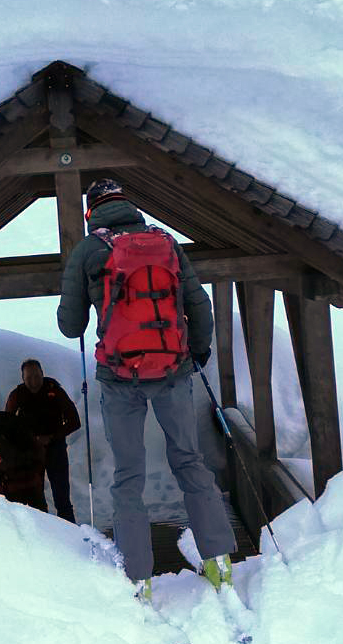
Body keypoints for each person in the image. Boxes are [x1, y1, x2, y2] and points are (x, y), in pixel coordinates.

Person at [57, 178, 235, 596]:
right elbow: (199, 306)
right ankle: (220, 563)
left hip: (119, 379)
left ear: (91, 212)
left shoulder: (87, 250)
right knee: (189, 461)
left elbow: (70, 326)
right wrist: (198, 350)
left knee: (127, 476)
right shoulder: (166, 243)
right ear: (128, 204)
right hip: (172, 370)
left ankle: (139, 578)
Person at [5, 358, 81, 523]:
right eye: (29, 378)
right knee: (35, 500)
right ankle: (44, 538)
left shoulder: (54, 390)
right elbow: (7, 426)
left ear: (43, 374)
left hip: (55, 449)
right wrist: (29, 440)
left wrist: (52, 437)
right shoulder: (17, 396)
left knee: (62, 499)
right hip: (29, 454)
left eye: (37, 376)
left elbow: (75, 421)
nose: (34, 381)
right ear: (23, 379)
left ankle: (71, 537)